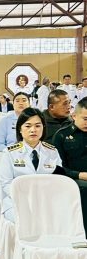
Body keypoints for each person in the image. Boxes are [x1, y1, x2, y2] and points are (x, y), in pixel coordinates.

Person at [0, 109, 62, 223]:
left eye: (37, 126)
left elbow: (58, 180)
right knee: (27, 220)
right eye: (28, 126)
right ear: (20, 129)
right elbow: (6, 183)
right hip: (17, 201)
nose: (33, 130)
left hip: (46, 201)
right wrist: (27, 197)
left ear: (43, 128)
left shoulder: (52, 152)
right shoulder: (9, 153)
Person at [53, 97, 87, 233]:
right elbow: (57, 168)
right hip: (72, 179)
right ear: (74, 116)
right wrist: (79, 175)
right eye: (85, 119)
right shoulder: (62, 136)